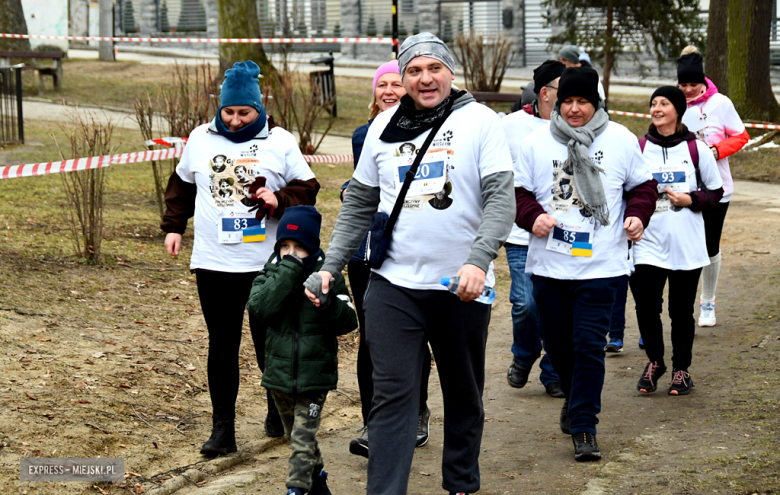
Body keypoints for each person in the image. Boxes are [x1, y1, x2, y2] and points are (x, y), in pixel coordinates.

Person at [306, 32, 515, 495]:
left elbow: (502, 199)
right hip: (393, 284)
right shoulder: (383, 128)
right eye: (414, 71)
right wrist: (329, 266)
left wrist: (479, 261)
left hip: (459, 285)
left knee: (463, 394)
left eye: (434, 68)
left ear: (450, 72)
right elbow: (359, 203)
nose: (425, 78)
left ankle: (460, 482)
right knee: (392, 398)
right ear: (402, 79)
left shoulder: (480, 122)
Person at [161, 60, 321, 457]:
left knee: (268, 341)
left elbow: (309, 188)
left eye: (243, 112)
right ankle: (223, 429)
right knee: (222, 343)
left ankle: (275, 409)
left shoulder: (279, 141)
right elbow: (181, 185)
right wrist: (174, 226)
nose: (234, 120)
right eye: (228, 112)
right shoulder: (200, 138)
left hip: (265, 264)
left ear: (259, 109)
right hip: (215, 263)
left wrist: (278, 199)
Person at [515, 66, 658, 461]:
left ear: (596, 103)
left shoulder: (621, 140)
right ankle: (576, 395)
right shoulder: (535, 142)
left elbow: (643, 186)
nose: (575, 110)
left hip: (602, 265)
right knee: (559, 346)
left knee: (589, 346)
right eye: (568, 102)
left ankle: (584, 426)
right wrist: (532, 217)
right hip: (550, 264)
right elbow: (518, 192)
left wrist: (638, 216)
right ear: (556, 103)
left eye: (583, 102)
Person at [342, 60, 435, 458]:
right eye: (384, 84)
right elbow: (369, 183)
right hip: (366, 249)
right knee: (372, 337)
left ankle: (416, 410)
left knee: (414, 338)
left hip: (412, 245)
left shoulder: (433, 130)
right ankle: (373, 423)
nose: (391, 90)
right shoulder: (364, 134)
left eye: (398, 83)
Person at [246, 206, 357, 495]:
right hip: (278, 377)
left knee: (303, 437)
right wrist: (289, 272)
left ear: (313, 248)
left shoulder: (328, 278)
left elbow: (349, 321)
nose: (291, 253)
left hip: (314, 377)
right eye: (285, 246)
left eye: (299, 248)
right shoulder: (270, 274)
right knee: (296, 437)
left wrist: (328, 301)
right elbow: (259, 308)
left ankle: (296, 488)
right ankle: (318, 482)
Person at [632, 87, 724, 395]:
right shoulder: (640, 147)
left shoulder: (696, 148)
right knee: (646, 304)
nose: (656, 108)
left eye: (664, 103)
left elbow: (715, 192)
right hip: (647, 241)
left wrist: (691, 198)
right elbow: (626, 188)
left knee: (680, 311)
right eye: (653, 104)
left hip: (686, 242)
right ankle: (655, 361)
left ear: (678, 110)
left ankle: (682, 369)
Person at [501, 60, 566, 398]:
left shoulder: (578, 127)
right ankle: (525, 355)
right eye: (563, 90)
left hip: (565, 235)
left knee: (559, 306)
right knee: (526, 303)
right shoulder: (510, 126)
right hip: (520, 232)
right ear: (545, 93)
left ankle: (553, 372)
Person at [676, 47, 749, 327]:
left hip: (717, 188)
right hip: (682, 189)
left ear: (703, 81)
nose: (688, 90)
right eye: (683, 85)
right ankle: (683, 305)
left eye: (693, 85)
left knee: (708, 245)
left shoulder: (720, 103)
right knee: (684, 246)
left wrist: (716, 151)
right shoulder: (673, 102)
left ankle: (707, 302)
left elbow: (741, 136)